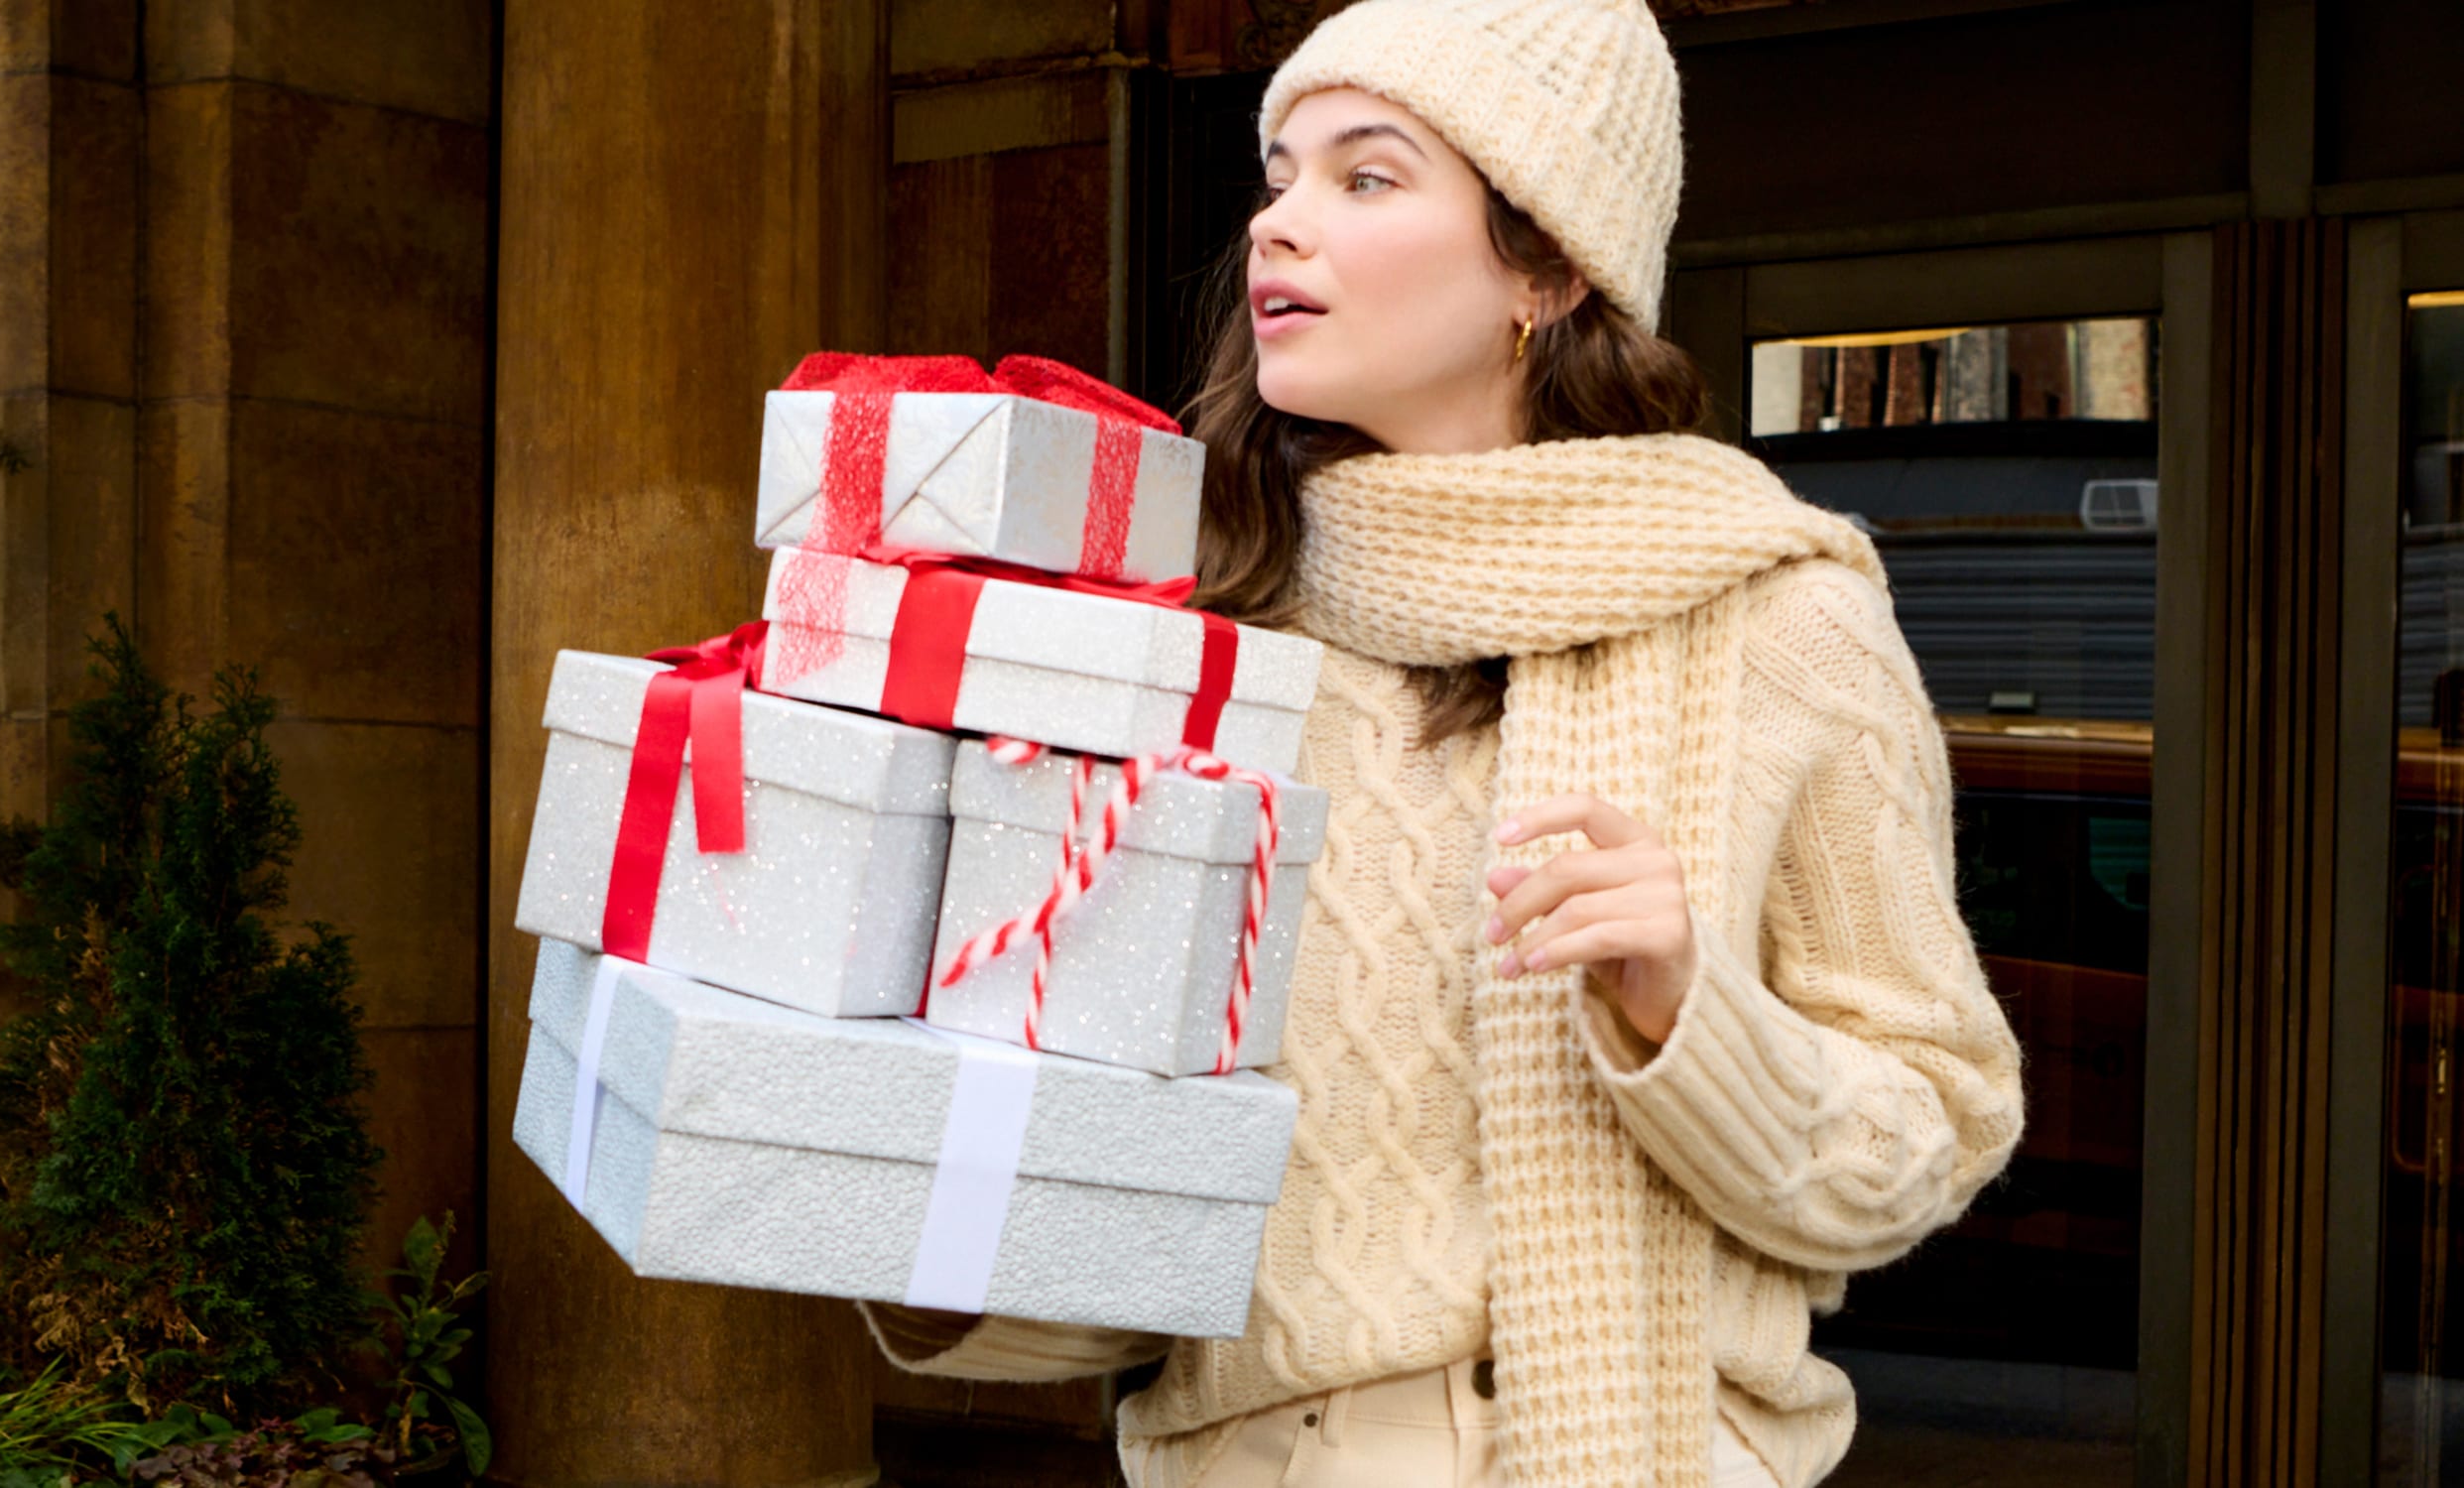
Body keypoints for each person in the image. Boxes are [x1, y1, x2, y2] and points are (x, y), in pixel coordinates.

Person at [860, 2, 2028, 1485]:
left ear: (1543, 265)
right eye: (1280, 173)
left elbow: (1936, 1121)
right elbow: (1135, 1216)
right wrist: (908, 1218)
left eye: (1367, 177)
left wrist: (1688, 1011)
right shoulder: (1198, 629)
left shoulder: (1779, 617)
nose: (1280, 226)